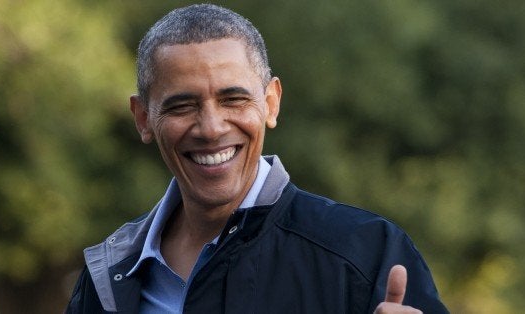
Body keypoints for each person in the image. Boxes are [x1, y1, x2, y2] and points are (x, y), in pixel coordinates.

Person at [66, 4, 449, 314]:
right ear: (143, 118)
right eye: (182, 105)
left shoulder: (364, 254)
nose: (212, 128)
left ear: (271, 102)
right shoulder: (110, 276)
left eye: (233, 99)